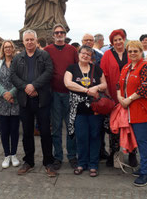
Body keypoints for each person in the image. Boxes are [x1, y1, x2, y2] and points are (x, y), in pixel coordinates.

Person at [10, 29, 56, 177]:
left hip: (42, 99)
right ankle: (28, 161)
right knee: (27, 132)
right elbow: (13, 75)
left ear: (36, 41)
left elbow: (49, 72)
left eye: (32, 39)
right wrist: (26, 87)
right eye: (27, 40)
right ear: (23, 42)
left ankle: (48, 162)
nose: (29, 42)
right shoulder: (18, 58)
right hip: (25, 100)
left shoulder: (44, 55)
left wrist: (34, 85)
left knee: (45, 132)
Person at [64, 45, 107, 177]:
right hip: (78, 110)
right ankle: (82, 163)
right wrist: (87, 90)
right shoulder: (71, 68)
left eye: (88, 54)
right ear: (79, 54)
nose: (85, 56)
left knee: (95, 136)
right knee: (81, 137)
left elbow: (104, 85)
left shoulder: (97, 69)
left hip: (95, 110)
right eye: (83, 53)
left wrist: (97, 87)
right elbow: (68, 83)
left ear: (91, 57)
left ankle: (93, 164)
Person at [101, 29, 137, 167]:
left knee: (131, 125)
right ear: (112, 43)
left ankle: (132, 153)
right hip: (113, 96)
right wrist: (108, 94)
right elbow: (104, 75)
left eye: (120, 39)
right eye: (115, 40)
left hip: (131, 97)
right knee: (114, 126)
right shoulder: (107, 55)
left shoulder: (131, 53)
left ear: (124, 40)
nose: (118, 42)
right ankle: (114, 154)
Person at [44, 23, 78, 170]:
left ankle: (72, 156)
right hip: (55, 94)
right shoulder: (47, 50)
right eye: (56, 32)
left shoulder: (72, 50)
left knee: (71, 126)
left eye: (61, 32)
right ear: (53, 35)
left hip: (70, 93)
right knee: (56, 127)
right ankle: (58, 156)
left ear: (65, 34)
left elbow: (77, 68)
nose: (59, 34)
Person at [117, 41, 147, 186]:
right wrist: (119, 97)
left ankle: (145, 173)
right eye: (130, 51)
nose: (133, 53)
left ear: (141, 52)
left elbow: (144, 88)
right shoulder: (126, 67)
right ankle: (143, 167)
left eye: (136, 51)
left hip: (140, 111)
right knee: (137, 142)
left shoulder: (145, 66)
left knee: (143, 143)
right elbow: (119, 84)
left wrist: (128, 99)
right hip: (127, 111)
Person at [0, 40, 20, 169]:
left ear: (13, 49)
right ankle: (6, 155)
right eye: (6, 47)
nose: (8, 49)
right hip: (2, 100)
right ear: (3, 49)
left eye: (10, 47)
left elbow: (21, 80)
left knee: (14, 130)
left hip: (15, 101)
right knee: (4, 131)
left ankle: (14, 154)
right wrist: (5, 94)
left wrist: (12, 93)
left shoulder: (19, 63)